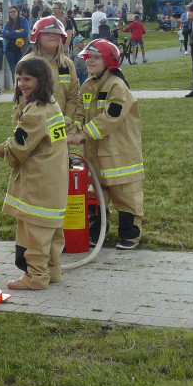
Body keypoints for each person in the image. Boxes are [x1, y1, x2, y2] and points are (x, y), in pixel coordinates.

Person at [0, 57, 68, 290]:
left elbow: (20, 147)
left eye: (27, 79)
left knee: (34, 230)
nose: (21, 84)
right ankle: (52, 271)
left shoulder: (35, 113)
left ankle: (35, 277)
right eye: (18, 78)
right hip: (54, 178)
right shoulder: (52, 105)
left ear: (41, 80)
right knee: (51, 230)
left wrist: (4, 150)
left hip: (38, 181)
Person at [69, 39, 145, 250]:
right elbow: (79, 112)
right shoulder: (88, 84)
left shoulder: (116, 86)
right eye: (88, 57)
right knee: (96, 193)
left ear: (109, 60)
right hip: (95, 152)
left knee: (125, 192)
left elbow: (110, 117)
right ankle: (96, 231)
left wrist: (83, 134)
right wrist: (73, 130)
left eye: (95, 57)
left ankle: (130, 234)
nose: (89, 61)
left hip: (119, 151)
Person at [18, 17, 80, 134]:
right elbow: (21, 100)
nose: (53, 35)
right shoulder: (26, 63)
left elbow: (72, 97)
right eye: (47, 33)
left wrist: (65, 123)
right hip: (35, 127)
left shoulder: (67, 64)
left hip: (60, 129)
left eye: (56, 33)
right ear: (37, 36)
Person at [1, 5, 29, 89]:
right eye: (10, 12)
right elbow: (4, 35)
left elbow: (25, 33)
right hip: (10, 49)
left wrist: (10, 33)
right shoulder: (8, 23)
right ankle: (15, 85)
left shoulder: (23, 21)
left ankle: (22, 85)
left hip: (21, 48)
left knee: (21, 67)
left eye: (14, 12)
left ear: (18, 12)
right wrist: (15, 31)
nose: (12, 14)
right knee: (13, 68)